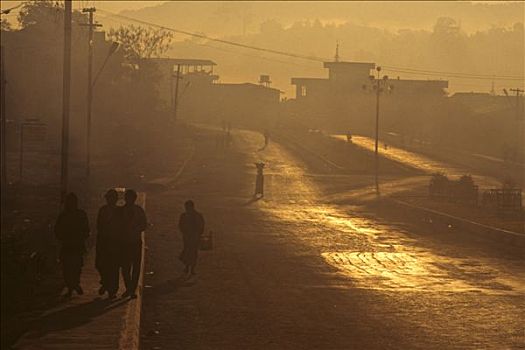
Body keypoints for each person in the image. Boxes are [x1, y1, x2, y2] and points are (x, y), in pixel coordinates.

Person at [55, 193, 90, 298]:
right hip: (68, 245)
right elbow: (57, 230)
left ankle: (73, 285)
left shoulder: (79, 215)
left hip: (76, 245)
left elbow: (86, 230)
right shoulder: (64, 215)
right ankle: (72, 285)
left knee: (75, 267)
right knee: (67, 268)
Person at [95, 189, 122, 299]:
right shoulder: (103, 210)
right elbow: (99, 225)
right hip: (103, 241)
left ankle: (112, 289)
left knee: (114, 267)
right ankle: (106, 282)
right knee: (100, 265)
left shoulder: (119, 212)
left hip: (114, 242)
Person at [121, 189, 147, 299]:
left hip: (135, 241)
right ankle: (129, 288)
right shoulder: (121, 211)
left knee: (136, 267)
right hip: (125, 242)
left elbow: (144, 225)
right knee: (125, 267)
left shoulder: (139, 211)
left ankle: (132, 289)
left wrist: (136, 229)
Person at [178, 200, 205, 275]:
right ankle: (191, 269)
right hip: (193, 237)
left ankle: (188, 268)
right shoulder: (198, 215)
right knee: (193, 253)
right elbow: (202, 226)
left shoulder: (184, 215)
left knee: (188, 252)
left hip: (189, 237)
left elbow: (180, 225)